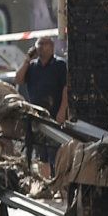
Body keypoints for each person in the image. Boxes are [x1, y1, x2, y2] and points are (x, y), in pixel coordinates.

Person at [16, 36, 70, 175]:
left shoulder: (59, 65)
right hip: (37, 117)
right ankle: (46, 184)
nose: (41, 47)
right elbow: (18, 79)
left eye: (44, 44)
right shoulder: (33, 66)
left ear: (51, 47)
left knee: (56, 152)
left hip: (54, 116)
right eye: (39, 44)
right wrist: (27, 59)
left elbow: (66, 88)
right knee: (42, 153)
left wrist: (62, 110)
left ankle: (58, 184)